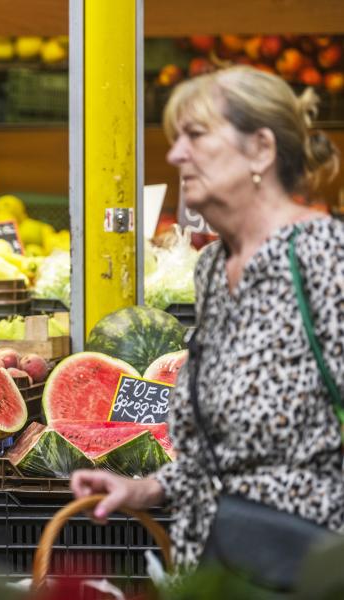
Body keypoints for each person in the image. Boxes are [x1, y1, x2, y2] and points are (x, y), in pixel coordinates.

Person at [71, 65, 344, 568]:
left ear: (261, 149)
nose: (175, 155)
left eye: (195, 136)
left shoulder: (326, 259)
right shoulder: (216, 266)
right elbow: (218, 452)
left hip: (307, 569)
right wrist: (146, 489)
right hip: (218, 563)